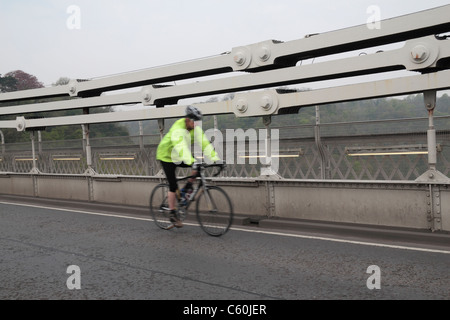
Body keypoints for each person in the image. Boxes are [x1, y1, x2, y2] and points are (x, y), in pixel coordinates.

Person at [156, 105, 220, 228]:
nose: (196, 124)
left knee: (197, 168)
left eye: (198, 121)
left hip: (178, 155)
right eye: (194, 121)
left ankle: (186, 190)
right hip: (166, 156)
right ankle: (172, 212)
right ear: (187, 119)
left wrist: (216, 159)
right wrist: (191, 161)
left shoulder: (195, 129)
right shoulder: (178, 128)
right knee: (173, 185)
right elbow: (181, 147)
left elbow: (205, 143)